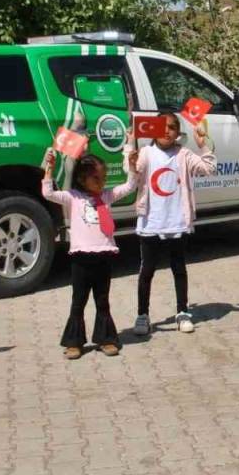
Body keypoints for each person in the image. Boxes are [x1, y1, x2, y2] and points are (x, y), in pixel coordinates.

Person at [42, 147, 139, 358]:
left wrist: (131, 164)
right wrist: (49, 167)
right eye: (96, 178)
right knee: (79, 300)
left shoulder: (107, 196)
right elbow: (48, 193)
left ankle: (106, 338)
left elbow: (131, 186)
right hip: (80, 258)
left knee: (102, 299)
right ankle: (74, 342)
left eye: (103, 177)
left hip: (103, 256)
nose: (101, 182)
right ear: (81, 178)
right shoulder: (73, 197)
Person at [132, 112, 215, 337]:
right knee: (146, 270)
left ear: (178, 133)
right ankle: (143, 315)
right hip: (152, 222)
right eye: (161, 125)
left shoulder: (184, 154)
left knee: (179, 268)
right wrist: (129, 147)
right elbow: (133, 173)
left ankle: (182, 312)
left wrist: (203, 145)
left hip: (177, 222)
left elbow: (208, 169)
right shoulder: (147, 153)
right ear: (152, 129)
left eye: (171, 127)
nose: (166, 130)